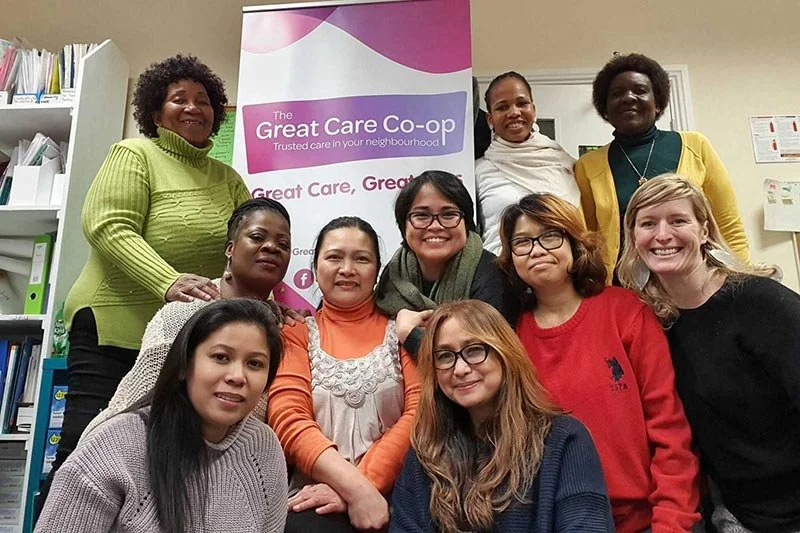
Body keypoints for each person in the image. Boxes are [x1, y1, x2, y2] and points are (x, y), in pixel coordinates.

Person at [53, 54, 252, 491]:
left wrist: (265, 308)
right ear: (155, 111)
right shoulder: (135, 153)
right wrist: (168, 281)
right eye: (178, 98)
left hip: (179, 342)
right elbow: (108, 225)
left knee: (157, 465)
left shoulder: (230, 179)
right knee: (87, 452)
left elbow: (245, 255)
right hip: (114, 329)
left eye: (203, 99)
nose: (193, 107)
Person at [497, 193, 701, 533]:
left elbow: (670, 430)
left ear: (575, 244)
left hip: (645, 521)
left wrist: (672, 522)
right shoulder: (509, 335)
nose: (537, 249)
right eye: (522, 242)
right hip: (557, 522)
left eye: (550, 235)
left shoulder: (625, 312)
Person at [618, 175, 800, 533]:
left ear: (704, 231)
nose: (663, 235)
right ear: (633, 238)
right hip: (734, 513)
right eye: (648, 224)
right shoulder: (652, 322)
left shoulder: (763, 303)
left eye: (678, 220)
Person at [36, 299, 289, 533]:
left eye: (255, 364)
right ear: (184, 365)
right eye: (221, 357)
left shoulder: (263, 449)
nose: (237, 376)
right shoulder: (115, 447)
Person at [77, 198, 292, 442]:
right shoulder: (184, 314)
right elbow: (136, 405)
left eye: (283, 244)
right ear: (230, 249)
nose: (271, 247)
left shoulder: (281, 326)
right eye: (257, 237)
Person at [390, 299, 614, 532]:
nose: (460, 369)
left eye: (474, 350)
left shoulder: (564, 440)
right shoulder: (427, 451)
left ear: (504, 354)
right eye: (445, 356)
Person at [268, 217, 420, 533]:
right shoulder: (295, 334)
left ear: (377, 270)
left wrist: (364, 485)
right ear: (314, 267)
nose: (347, 269)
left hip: (402, 493)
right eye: (334, 257)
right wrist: (355, 489)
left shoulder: (402, 332)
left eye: (361, 258)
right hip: (315, 499)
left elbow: (420, 414)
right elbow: (289, 419)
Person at [574, 53, 749, 283]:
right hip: (623, 291)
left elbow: (728, 224)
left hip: (696, 286)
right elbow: (588, 240)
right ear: (605, 109)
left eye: (639, 90)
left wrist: (743, 283)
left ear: (658, 103)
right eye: (616, 93)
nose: (628, 98)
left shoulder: (696, 146)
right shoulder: (589, 165)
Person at [375, 170, 515, 354]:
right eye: (421, 216)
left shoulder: (493, 274)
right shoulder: (394, 274)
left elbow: (483, 358)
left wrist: (409, 334)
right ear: (404, 224)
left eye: (448, 214)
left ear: (466, 222)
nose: (435, 226)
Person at [475, 71, 579, 254]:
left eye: (522, 103)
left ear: (534, 110)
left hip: (564, 273)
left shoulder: (564, 163)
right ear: (490, 119)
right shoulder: (478, 171)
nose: (514, 112)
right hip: (500, 275)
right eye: (502, 107)